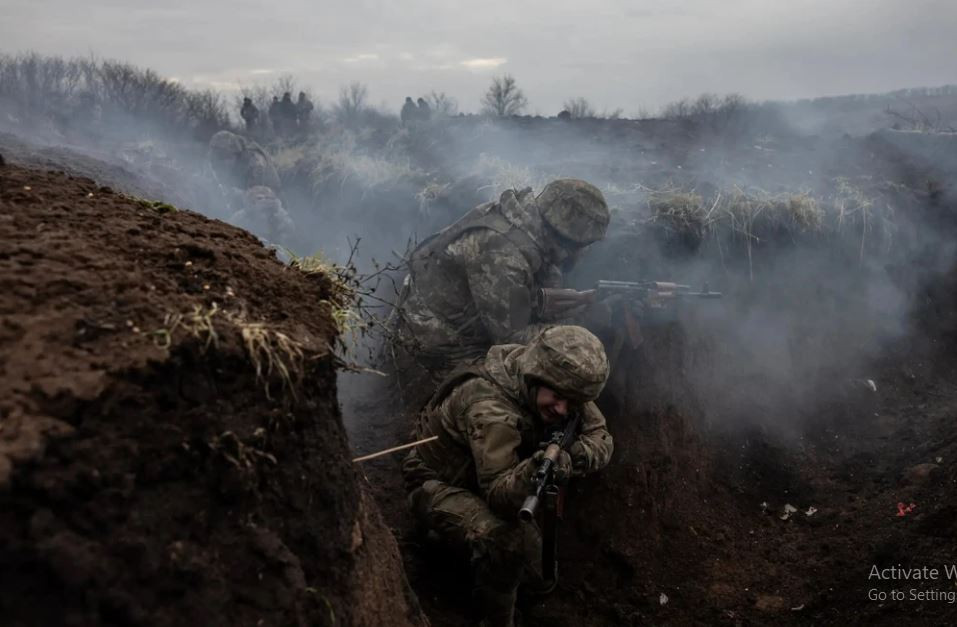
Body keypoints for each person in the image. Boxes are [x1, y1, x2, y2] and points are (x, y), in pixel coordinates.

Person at [402, 325, 614, 627]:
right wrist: (533, 470)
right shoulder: (489, 409)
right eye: (557, 398)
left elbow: (601, 436)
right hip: (438, 484)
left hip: (496, 471)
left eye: (572, 402)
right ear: (537, 377)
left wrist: (571, 457)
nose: (563, 409)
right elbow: (500, 498)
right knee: (507, 545)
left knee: (541, 579)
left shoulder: (559, 380)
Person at [392, 179, 610, 382]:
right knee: (521, 388)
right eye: (582, 245)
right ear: (562, 237)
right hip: (438, 340)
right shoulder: (503, 255)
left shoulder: (526, 220)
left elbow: (529, 294)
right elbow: (511, 339)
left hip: (469, 315)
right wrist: (577, 326)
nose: (583, 252)